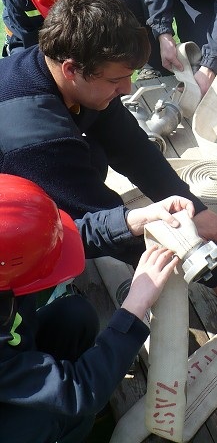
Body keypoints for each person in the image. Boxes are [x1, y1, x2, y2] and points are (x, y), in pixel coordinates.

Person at [0, 0, 217, 300]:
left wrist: (195, 209)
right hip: (6, 223)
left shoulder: (65, 69)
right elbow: (104, 222)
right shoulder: (36, 135)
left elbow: (132, 148)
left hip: (38, 160)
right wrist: (211, 270)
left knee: (93, 155)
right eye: (115, 80)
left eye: (129, 76)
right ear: (71, 70)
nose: (128, 88)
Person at [0, 173, 184, 443]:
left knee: (75, 315)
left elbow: (51, 238)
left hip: (11, 359)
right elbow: (79, 391)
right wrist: (135, 307)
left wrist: (133, 220)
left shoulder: (6, 264)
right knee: (61, 414)